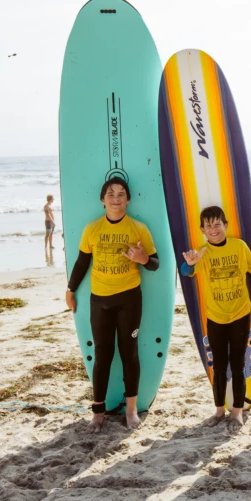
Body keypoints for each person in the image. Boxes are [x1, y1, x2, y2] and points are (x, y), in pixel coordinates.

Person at [65, 177, 160, 432]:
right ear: (102, 200)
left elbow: (155, 262)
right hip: (100, 301)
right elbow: (82, 262)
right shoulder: (92, 229)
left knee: (129, 353)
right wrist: (71, 289)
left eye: (120, 194)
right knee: (102, 355)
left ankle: (131, 410)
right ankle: (98, 411)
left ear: (128, 199)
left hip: (129, 299)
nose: (116, 198)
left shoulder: (138, 228)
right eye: (110, 194)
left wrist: (142, 258)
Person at [180, 206, 251, 434]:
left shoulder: (239, 247)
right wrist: (190, 263)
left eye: (217, 223)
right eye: (208, 225)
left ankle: (237, 412)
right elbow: (186, 271)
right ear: (202, 230)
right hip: (216, 317)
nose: (213, 229)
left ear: (225, 225)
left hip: (240, 314)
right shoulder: (202, 253)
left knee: (238, 365)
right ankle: (219, 410)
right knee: (219, 367)